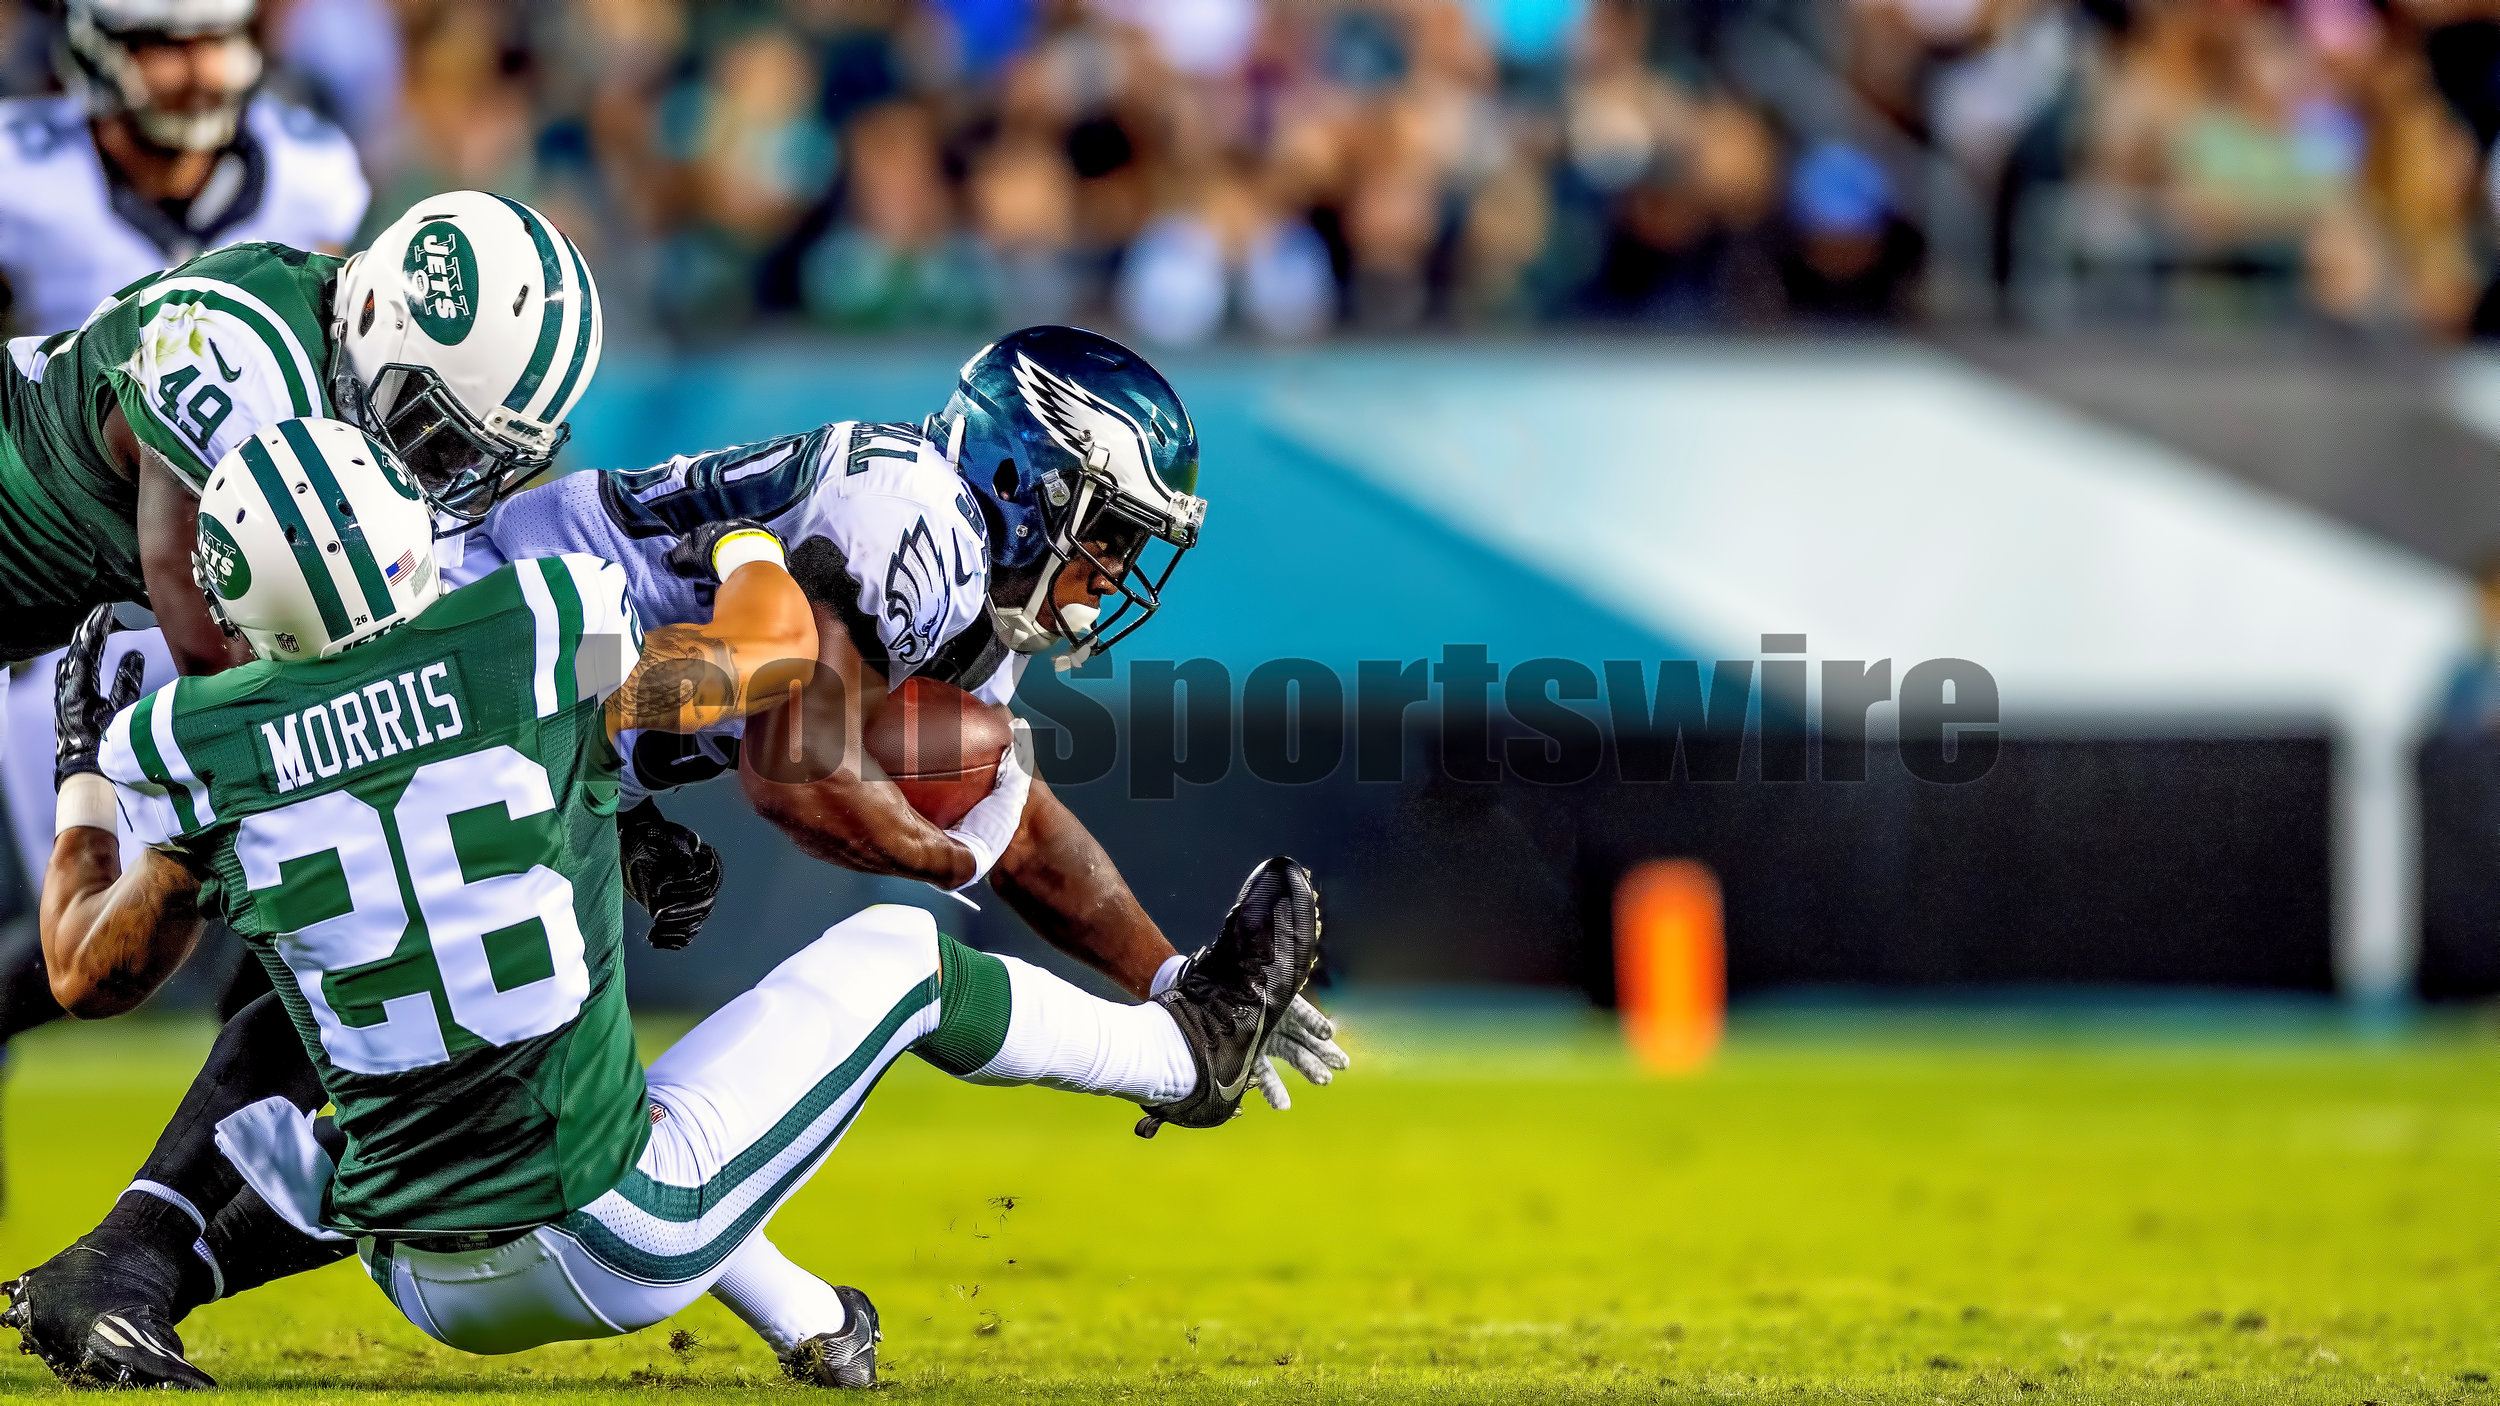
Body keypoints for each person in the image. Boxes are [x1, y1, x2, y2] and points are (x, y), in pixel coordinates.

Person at [10, 417, 1323, 1388]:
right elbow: (792, 759)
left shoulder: (200, 734)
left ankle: (136, 1261)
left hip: (411, 1229)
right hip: (522, 742)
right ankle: (1180, 1061)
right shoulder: (620, 591)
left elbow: (994, 802)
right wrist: (949, 869)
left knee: (422, 1026)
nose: (1110, 568)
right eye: (1103, 529)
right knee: (892, 964)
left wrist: (1160, 962)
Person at [0, 188, 609, 1100]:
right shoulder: (238, 349)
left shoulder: (361, 409)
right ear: (374, 321)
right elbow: (224, 675)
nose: (447, 477)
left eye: (482, 458)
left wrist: (624, 798)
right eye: (437, 434)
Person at [0, 0, 373, 1165]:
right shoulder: (25, 168)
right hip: (60, 606)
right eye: (165, 39)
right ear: (101, 49)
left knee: (276, 915)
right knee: (102, 923)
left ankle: (176, 1211)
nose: (198, 64)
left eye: (212, 35)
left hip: (244, 592)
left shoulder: (314, 171)